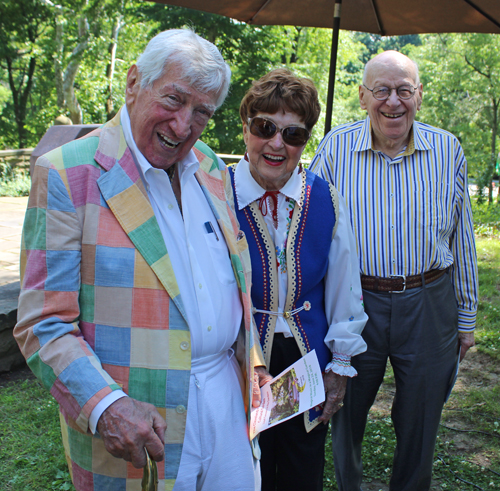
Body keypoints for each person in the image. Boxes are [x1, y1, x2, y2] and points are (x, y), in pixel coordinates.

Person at [14, 28, 271, 491]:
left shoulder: (210, 166)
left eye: (202, 113)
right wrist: (107, 406)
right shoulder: (68, 173)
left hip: (228, 404)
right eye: (173, 100)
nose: (182, 126)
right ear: (134, 82)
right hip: (139, 417)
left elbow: (231, 286)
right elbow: (43, 324)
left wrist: (250, 362)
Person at [310, 50, 479, 491]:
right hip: (353, 302)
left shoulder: (447, 149)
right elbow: (308, 228)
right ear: (363, 96)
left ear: (419, 96)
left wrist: (465, 318)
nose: (393, 101)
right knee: (344, 409)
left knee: (422, 416)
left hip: (429, 300)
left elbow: (462, 237)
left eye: (404, 90)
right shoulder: (335, 148)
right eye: (381, 90)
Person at [228, 68, 368, 491]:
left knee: (300, 471)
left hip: (305, 363)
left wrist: (339, 365)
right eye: (265, 127)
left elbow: (345, 286)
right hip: (237, 361)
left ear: (305, 142)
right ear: (247, 126)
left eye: (293, 134)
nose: (276, 143)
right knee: (244, 468)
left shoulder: (325, 197)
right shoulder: (214, 194)